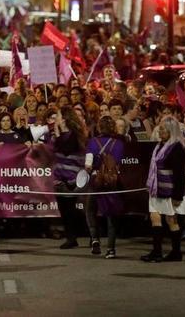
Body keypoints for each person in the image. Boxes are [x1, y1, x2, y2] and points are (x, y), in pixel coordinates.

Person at [141, 117, 185, 263]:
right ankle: (157, 251)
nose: (160, 131)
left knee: (171, 220)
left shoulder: (177, 148)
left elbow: (180, 175)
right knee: (154, 217)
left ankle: (176, 251)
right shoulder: (159, 146)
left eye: (163, 129)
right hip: (156, 189)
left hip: (168, 190)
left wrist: (177, 195)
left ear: (171, 131)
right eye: (159, 128)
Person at [84, 116, 124, 258]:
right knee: (111, 216)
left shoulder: (92, 142)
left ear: (99, 127)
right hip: (112, 181)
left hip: (96, 180)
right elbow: (119, 164)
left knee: (90, 210)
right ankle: (111, 249)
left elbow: (88, 166)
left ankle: (95, 239)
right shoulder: (119, 144)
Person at [51, 107, 86, 249]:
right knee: (64, 209)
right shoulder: (58, 136)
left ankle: (75, 236)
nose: (55, 119)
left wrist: (58, 132)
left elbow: (65, 148)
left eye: (58, 116)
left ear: (64, 118)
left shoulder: (74, 135)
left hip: (71, 177)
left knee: (71, 209)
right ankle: (70, 237)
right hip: (60, 177)